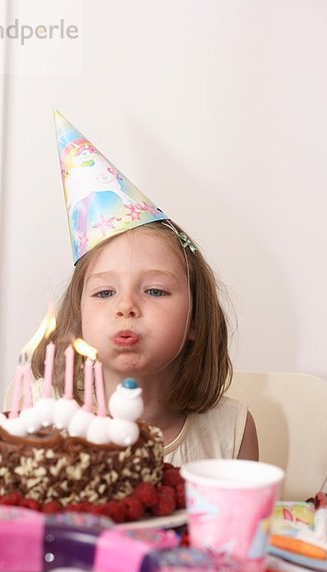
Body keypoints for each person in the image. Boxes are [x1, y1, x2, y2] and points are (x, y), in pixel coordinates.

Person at [30, 112, 259, 464]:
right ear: (79, 317)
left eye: (154, 291)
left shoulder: (231, 430)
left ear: (196, 319)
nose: (126, 307)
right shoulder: (38, 410)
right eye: (105, 293)